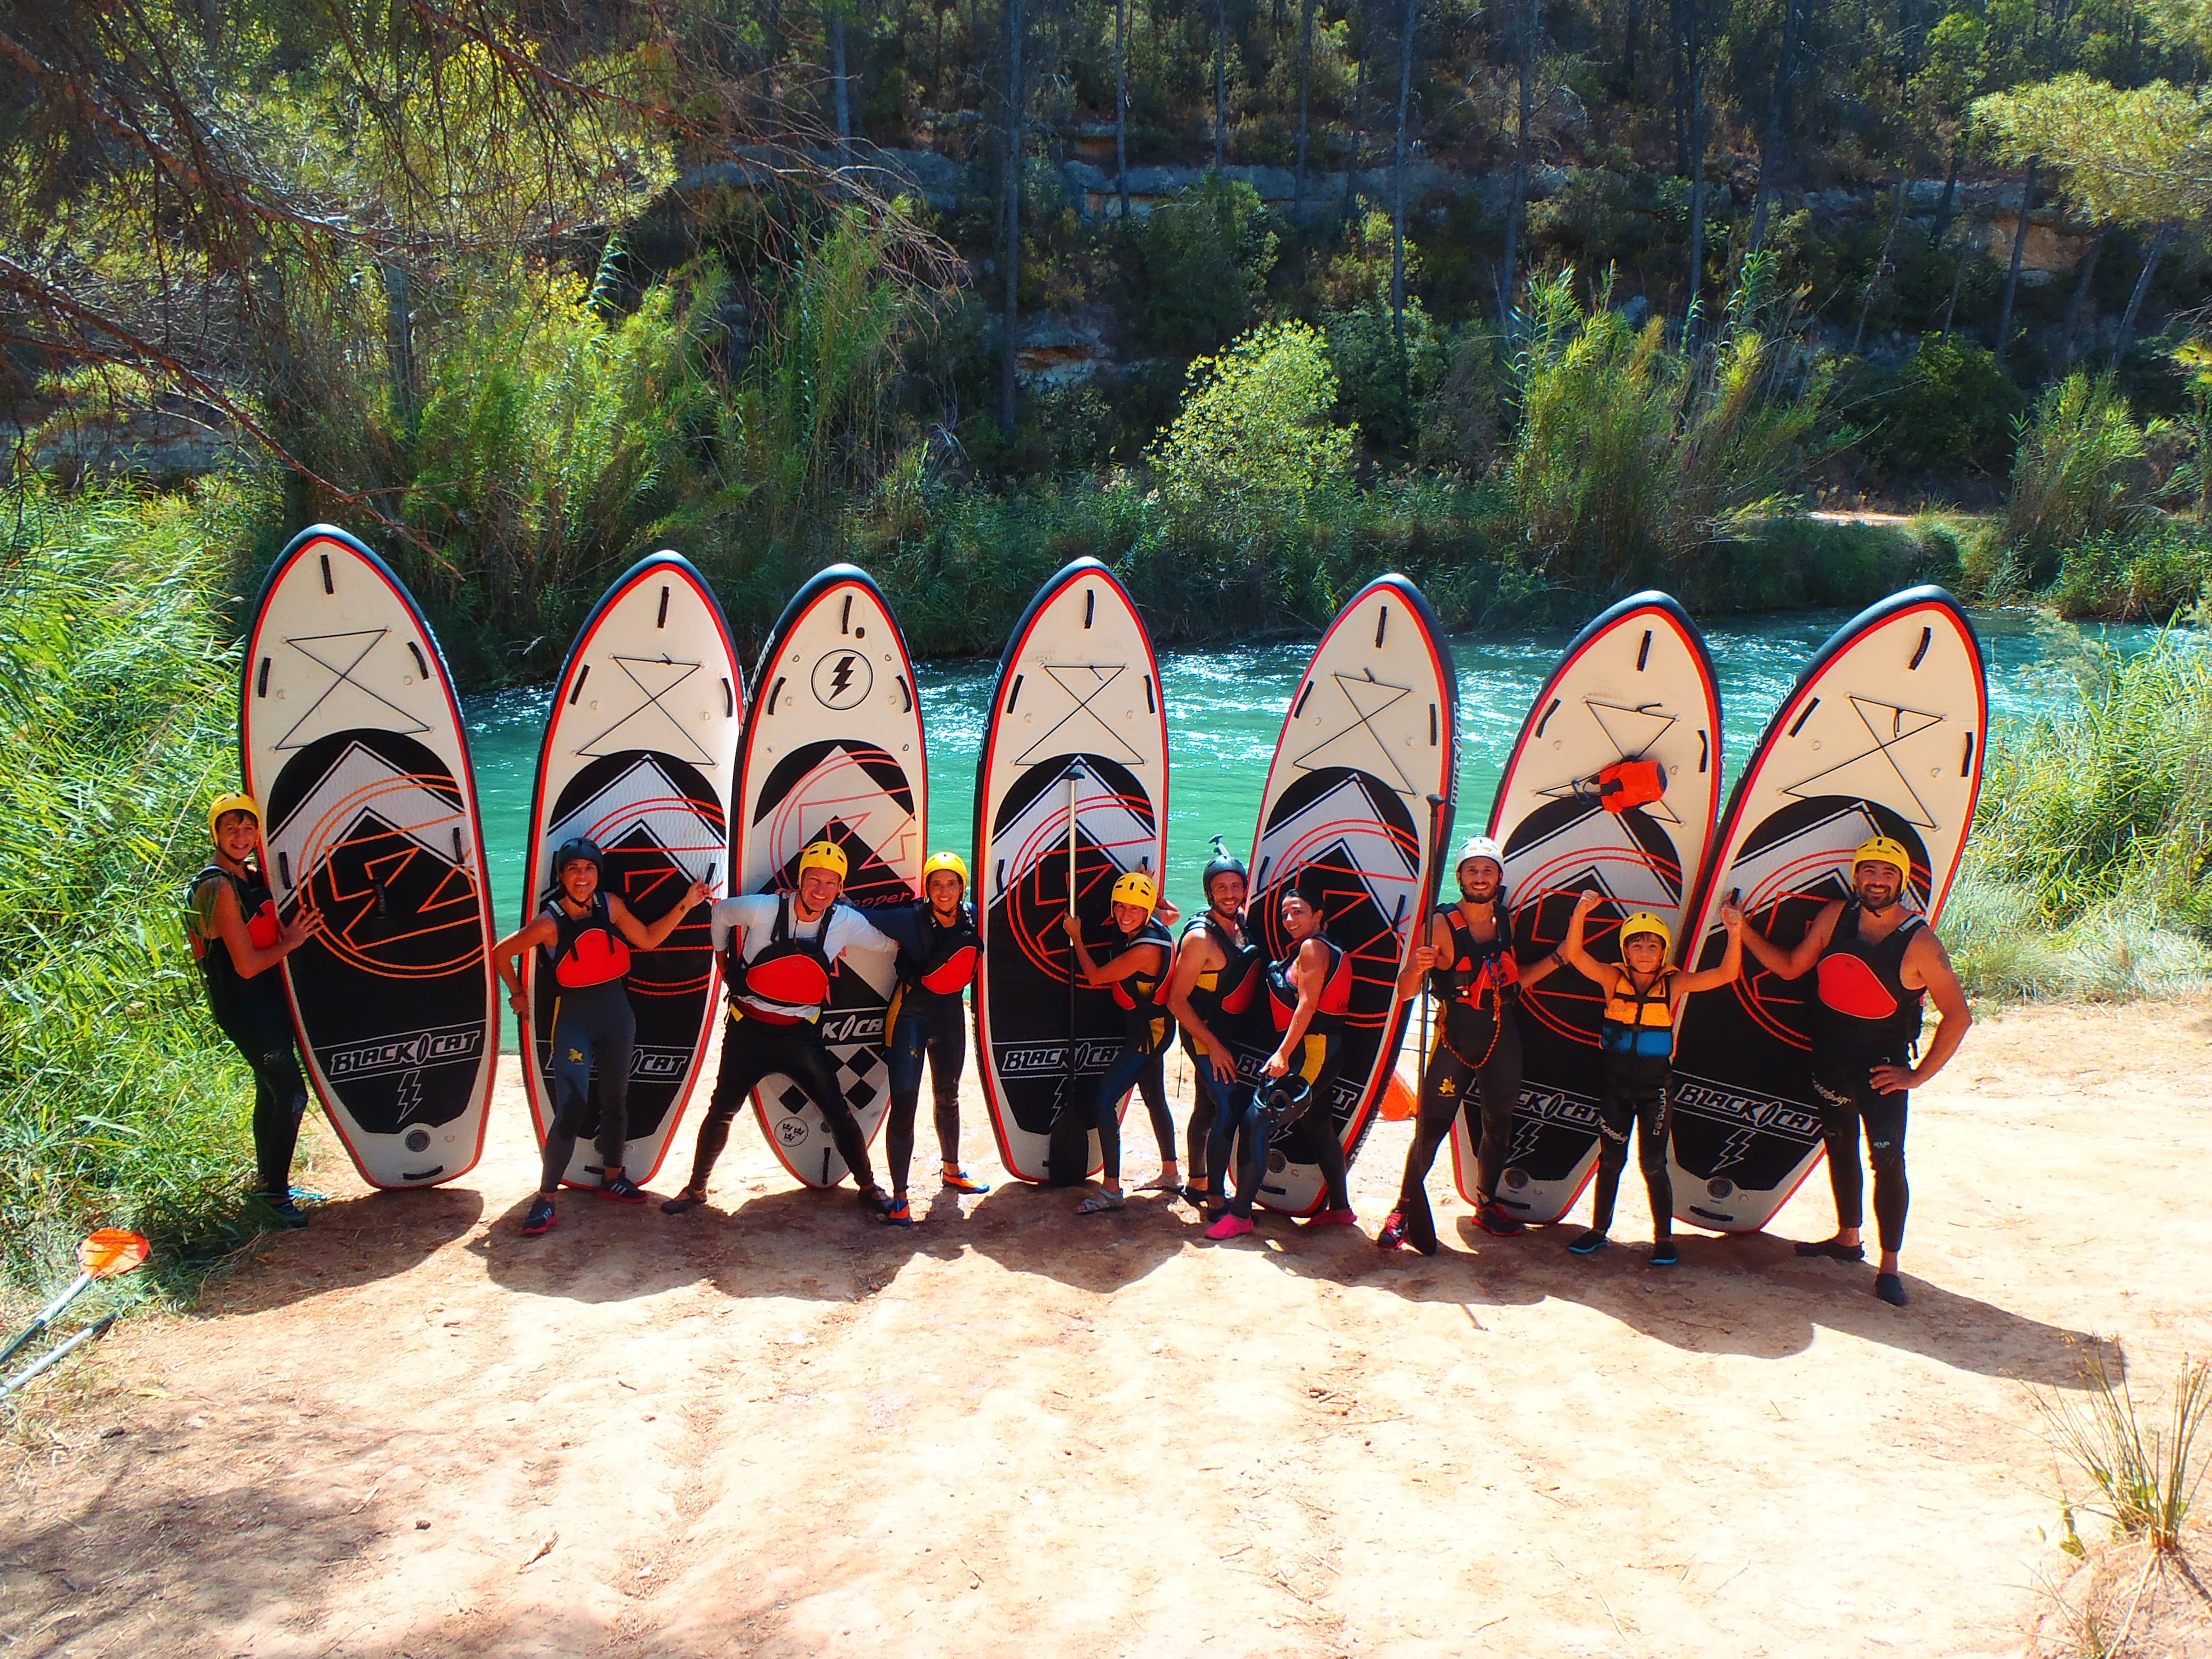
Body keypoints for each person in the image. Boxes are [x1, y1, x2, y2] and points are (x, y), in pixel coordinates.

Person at [1729, 835, 1974, 1307]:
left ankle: (1889, 1267)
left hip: (1882, 1072)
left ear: (1901, 880)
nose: (1876, 881)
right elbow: (1789, 967)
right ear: (1857, 875)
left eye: (1886, 873)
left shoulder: (1920, 942)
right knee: (1840, 1148)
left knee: (1888, 1162)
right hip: (1831, 1059)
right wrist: (1741, 930)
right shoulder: (1835, 917)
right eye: (1868, 871)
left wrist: (1917, 1076)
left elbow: (1958, 1016)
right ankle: (1847, 1239)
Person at [662, 840, 903, 1220]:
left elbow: (888, 946)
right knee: (721, 1110)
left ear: (840, 889)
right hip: (748, 1031)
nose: (821, 890)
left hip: (799, 1037)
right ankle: (696, 1188)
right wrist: (724, 964)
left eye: (830, 883)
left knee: (837, 1111)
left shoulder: (844, 921)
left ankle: (868, 1186)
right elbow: (722, 913)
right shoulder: (764, 908)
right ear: (799, 880)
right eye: (814, 880)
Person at [491, 838, 708, 1237]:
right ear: (560, 876)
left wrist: (688, 903)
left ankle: (613, 1177)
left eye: (588, 869)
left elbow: (647, 940)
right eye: (573, 869)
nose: (581, 876)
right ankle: (546, 1199)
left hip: (617, 1016)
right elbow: (501, 952)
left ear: (597, 873)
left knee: (616, 1100)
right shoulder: (550, 922)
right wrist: (518, 993)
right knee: (572, 1106)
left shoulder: (611, 906)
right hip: (574, 1019)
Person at [1377, 837, 1566, 1254]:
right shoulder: (1440, 924)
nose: (1480, 878)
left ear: (1499, 877)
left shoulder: (1506, 920)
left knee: (1498, 1127)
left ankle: (1487, 1204)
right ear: (1460, 877)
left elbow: (1512, 982)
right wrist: (1418, 967)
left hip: (1501, 1037)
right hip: (1455, 1042)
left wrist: (1559, 958)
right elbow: (1406, 991)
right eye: (1472, 871)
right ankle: (1403, 1209)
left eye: (1487, 871)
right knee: (1430, 1130)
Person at [1552, 892, 1743, 1265]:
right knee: (1610, 1160)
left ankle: (1663, 1239)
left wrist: (1735, 932)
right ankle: (1598, 1231)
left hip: (1656, 1089)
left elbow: (1726, 974)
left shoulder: (1675, 984)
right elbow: (1575, 954)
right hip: (1616, 1086)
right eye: (1636, 943)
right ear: (1626, 951)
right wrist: (1580, 914)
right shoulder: (1612, 979)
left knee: (1653, 1164)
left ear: (1663, 953)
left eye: (1652, 945)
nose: (1644, 950)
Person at [185, 792, 324, 1229]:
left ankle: (269, 1185)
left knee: (271, 1091)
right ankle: (276, 1196)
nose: (242, 837)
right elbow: (245, 965)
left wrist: (291, 931)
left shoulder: (247, 876)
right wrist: (292, 942)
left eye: (248, 828)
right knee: (292, 1094)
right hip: (245, 1004)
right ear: (216, 834)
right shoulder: (217, 886)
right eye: (232, 829)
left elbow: (264, 929)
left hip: (265, 1001)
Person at [1203, 885, 1360, 1240]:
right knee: (1319, 1127)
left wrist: (1284, 1054)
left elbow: (1307, 1004)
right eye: (1286, 913)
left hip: (1313, 1049)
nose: (1289, 919)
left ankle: (1241, 1214)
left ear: (1318, 916)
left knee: (1256, 1123)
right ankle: (1340, 1209)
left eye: (1299, 912)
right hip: (1323, 1047)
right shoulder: (1320, 947)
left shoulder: (1312, 948)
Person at [870, 851, 993, 1227]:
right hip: (910, 1016)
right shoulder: (910, 920)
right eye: (936, 884)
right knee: (905, 1103)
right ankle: (901, 1198)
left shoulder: (973, 915)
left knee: (948, 1095)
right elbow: (863, 916)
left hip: (950, 1016)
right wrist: (834, 898)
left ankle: (952, 1170)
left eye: (951, 883)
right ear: (927, 888)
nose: (944, 891)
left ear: (962, 886)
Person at [1061, 871, 1179, 1214]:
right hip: (1147, 1028)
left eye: (1135, 910)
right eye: (1121, 908)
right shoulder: (1156, 921)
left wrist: (1077, 937)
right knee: (1155, 1098)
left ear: (1145, 913)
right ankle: (1171, 1174)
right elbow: (1172, 914)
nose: (1126, 916)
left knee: (1104, 1099)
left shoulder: (1144, 949)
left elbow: (1097, 977)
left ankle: (1111, 1189)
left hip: (1149, 1033)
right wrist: (1153, 895)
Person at [1162, 839, 1265, 1209]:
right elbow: (1176, 1000)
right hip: (1204, 1033)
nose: (1230, 893)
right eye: (1221, 887)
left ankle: (1197, 1183)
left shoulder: (1242, 925)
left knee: (1206, 1107)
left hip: (1230, 1032)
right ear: (1209, 892)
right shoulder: (1201, 939)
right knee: (1228, 1105)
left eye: (1236, 886)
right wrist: (1215, 1046)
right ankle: (1217, 1200)